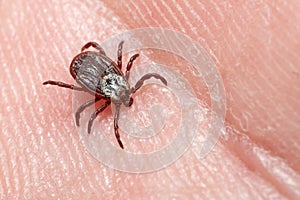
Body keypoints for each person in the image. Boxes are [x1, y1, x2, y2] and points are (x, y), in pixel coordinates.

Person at [0, 0, 299, 199]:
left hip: (94, 69)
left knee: (87, 95)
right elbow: (105, 90)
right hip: (93, 71)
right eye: (126, 93)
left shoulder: (113, 89)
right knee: (78, 93)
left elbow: (111, 74)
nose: (127, 96)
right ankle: (60, 84)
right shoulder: (113, 88)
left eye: (126, 92)